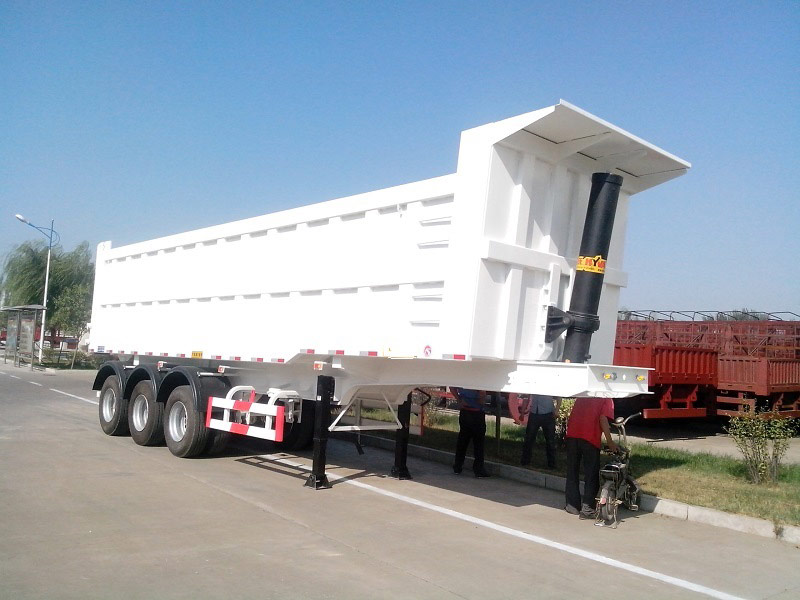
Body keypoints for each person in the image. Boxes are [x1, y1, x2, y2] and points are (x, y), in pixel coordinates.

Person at [564, 397, 618, 519]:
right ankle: (587, 509)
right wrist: (610, 442)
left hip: (573, 435)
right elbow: (603, 419)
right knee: (591, 474)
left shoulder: (585, 393)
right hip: (590, 438)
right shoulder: (606, 398)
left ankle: (572, 506)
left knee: (572, 471)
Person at [450, 387, 490, 477]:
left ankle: (457, 466)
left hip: (465, 412)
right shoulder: (479, 382)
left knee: (462, 441)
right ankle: (478, 469)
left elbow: (452, 387)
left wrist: (459, 400)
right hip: (477, 413)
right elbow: (481, 399)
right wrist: (482, 398)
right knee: (478, 443)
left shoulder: (463, 380)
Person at [520, 394, 561, 469]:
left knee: (550, 441)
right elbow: (526, 396)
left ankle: (552, 464)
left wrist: (556, 411)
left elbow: (559, 397)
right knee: (529, 439)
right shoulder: (533, 383)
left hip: (548, 414)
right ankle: (525, 461)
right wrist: (522, 412)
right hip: (534, 413)